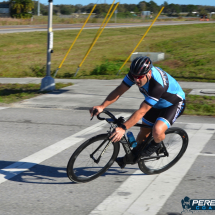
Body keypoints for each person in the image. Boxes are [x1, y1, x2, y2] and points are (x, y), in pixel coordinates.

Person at [89, 56, 186, 168]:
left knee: (157, 130)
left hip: (173, 104)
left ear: (149, 72)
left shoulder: (157, 85)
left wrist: (123, 128)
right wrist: (102, 106)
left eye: (140, 77)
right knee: (143, 134)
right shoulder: (135, 73)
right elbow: (120, 90)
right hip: (156, 104)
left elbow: (141, 111)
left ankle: (156, 145)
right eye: (134, 77)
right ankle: (135, 156)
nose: (136, 80)